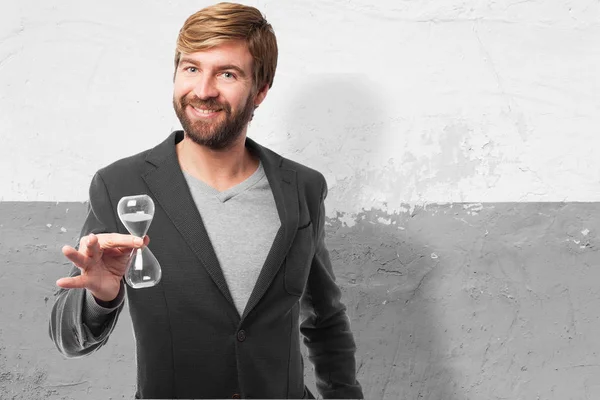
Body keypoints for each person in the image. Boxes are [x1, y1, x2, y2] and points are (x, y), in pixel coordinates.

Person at [48, 2, 363, 399]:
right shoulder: (120, 185)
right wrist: (99, 297)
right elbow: (68, 339)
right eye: (191, 68)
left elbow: (325, 321)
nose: (203, 90)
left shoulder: (302, 188)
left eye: (227, 74)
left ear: (261, 90)